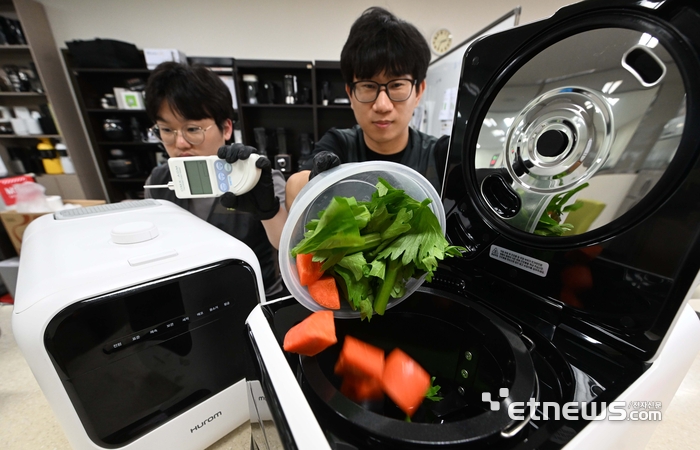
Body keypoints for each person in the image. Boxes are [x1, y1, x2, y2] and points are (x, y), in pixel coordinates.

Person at [143, 62, 287, 298]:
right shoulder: (158, 182)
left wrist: (268, 210)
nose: (180, 143)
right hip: (188, 302)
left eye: (193, 128)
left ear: (226, 128)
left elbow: (290, 249)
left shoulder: (258, 176)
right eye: (166, 130)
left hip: (256, 300)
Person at [285, 6, 449, 211]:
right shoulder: (340, 143)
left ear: (418, 91)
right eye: (368, 86)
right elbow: (293, 189)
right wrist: (317, 182)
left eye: (397, 85)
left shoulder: (440, 154)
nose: (382, 105)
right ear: (350, 93)